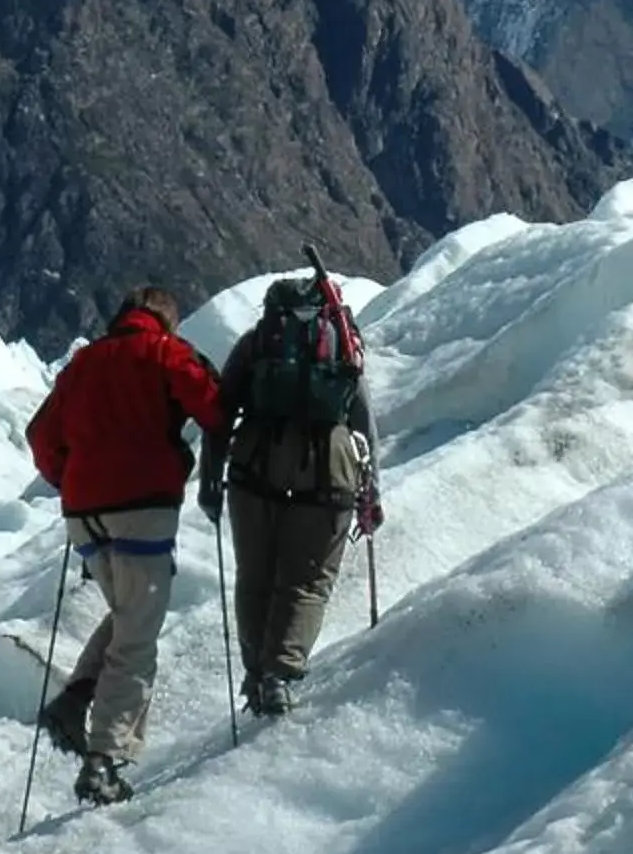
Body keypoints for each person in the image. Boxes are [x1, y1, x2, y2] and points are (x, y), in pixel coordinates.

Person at [26, 285, 226, 805]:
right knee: (138, 636)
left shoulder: (82, 364)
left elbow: (40, 434)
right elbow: (213, 407)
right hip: (144, 508)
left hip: (84, 515)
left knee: (127, 614)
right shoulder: (164, 352)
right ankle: (104, 759)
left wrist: (70, 478)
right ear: (164, 318)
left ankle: (76, 699)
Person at [201, 273, 381, 717]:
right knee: (307, 581)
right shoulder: (340, 342)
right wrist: (372, 489)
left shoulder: (258, 343)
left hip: (255, 466)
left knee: (256, 576)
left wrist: (209, 482)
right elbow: (364, 421)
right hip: (328, 470)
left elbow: (219, 416)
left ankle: (255, 674)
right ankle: (278, 674)